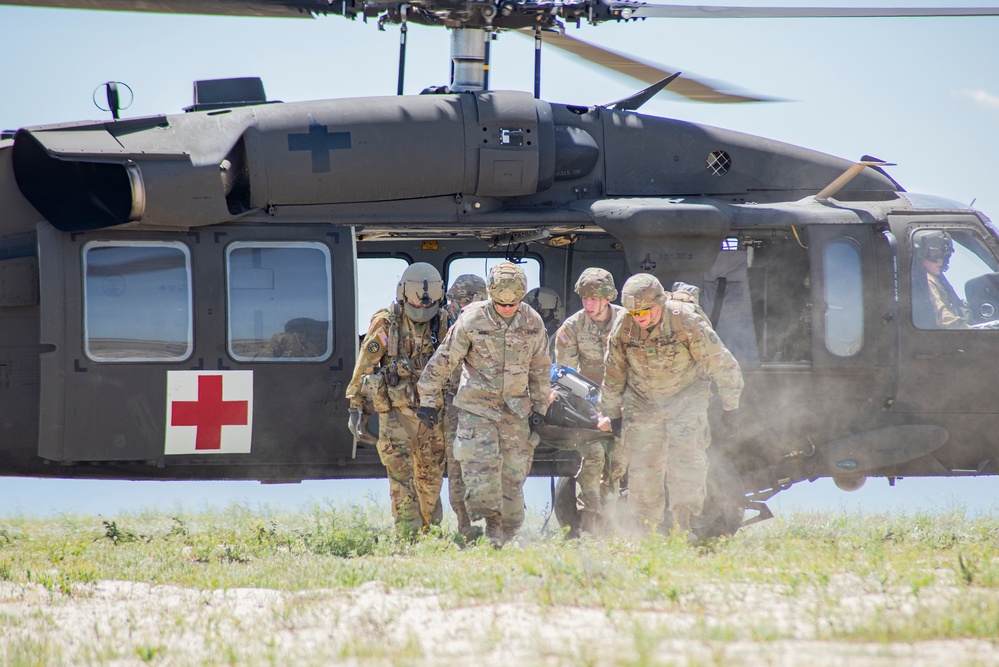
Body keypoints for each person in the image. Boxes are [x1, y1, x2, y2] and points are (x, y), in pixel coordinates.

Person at [599, 273, 744, 540]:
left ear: (659, 304)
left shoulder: (685, 321)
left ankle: (683, 527)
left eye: (644, 311)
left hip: (686, 398)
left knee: (687, 461)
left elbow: (722, 363)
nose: (639, 317)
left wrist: (731, 408)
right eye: (633, 312)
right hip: (643, 401)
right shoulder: (624, 326)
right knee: (643, 468)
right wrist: (612, 413)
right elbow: (613, 373)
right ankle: (647, 533)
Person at [417, 262, 551, 547]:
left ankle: (509, 531)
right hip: (477, 408)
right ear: (491, 295)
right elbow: (444, 359)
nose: (507, 308)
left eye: (513, 303)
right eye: (501, 303)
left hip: (516, 410)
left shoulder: (533, 322)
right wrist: (427, 398)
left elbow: (540, 367)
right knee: (481, 471)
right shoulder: (472, 319)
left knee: (514, 474)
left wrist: (540, 408)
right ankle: (491, 528)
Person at [345, 263, 449, 536]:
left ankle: (429, 533)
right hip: (395, 416)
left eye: (428, 302)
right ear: (403, 294)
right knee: (401, 479)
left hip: (433, 415)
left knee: (430, 480)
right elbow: (365, 367)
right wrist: (356, 409)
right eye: (416, 301)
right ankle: (407, 536)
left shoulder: (446, 323)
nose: (422, 307)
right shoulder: (386, 324)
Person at [552, 268, 628, 534]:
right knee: (594, 458)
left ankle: (609, 523)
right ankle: (591, 523)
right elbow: (565, 377)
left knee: (617, 464)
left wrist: (622, 407)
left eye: (594, 298)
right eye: (584, 297)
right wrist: (593, 414)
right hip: (589, 407)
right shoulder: (572, 327)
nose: (588, 303)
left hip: (623, 404)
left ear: (607, 297)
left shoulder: (627, 322)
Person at [442, 274, 488, 539]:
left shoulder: (494, 325)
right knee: (456, 465)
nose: (457, 306)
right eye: (455, 300)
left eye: (463, 300)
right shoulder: (444, 325)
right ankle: (465, 525)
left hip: (486, 406)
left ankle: (497, 525)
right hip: (454, 406)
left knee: (490, 465)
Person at [912, 230, 970, 329]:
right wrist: (969, 330)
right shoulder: (925, 281)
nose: (941, 261)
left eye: (944, 255)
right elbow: (942, 317)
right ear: (920, 255)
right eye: (935, 254)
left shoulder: (937, 279)